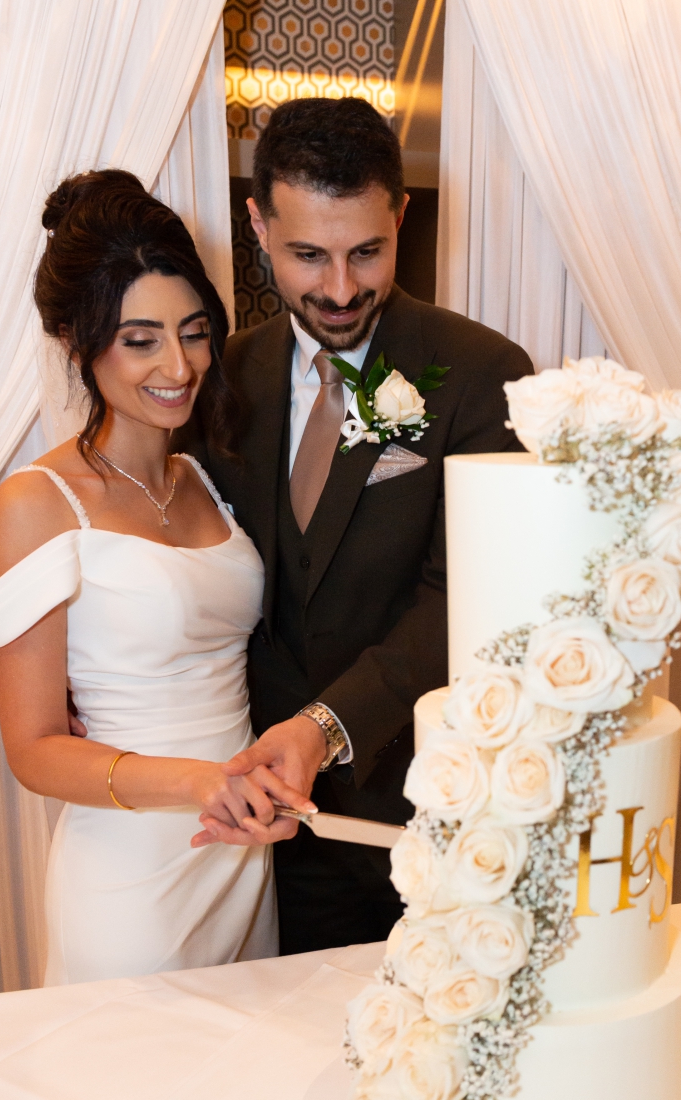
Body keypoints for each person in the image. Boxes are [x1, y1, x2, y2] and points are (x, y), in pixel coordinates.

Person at [194, 98, 532, 953]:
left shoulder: (483, 373)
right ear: (259, 225)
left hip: (425, 815)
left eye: (367, 252)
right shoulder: (222, 375)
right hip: (267, 827)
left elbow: (464, 598)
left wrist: (325, 726)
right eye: (308, 255)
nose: (341, 290)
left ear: (401, 217)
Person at [0, 170, 310, 983]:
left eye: (194, 332)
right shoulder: (36, 502)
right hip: (131, 874)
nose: (179, 366)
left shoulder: (205, 480)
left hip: (239, 853)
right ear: (76, 343)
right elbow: (34, 750)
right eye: (140, 340)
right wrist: (197, 783)